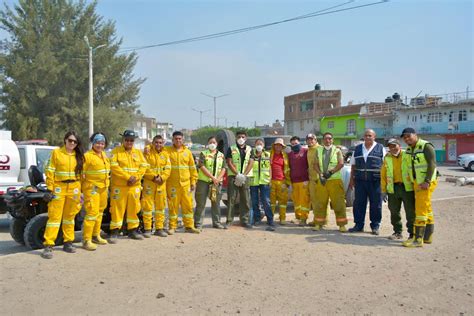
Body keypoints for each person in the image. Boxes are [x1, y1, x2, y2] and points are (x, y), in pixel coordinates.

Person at [41, 131, 84, 259]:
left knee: (70, 217)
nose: (72, 143)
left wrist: (81, 191)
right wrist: (49, 189)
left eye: (75, 141)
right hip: (59, 187)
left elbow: (82, 175)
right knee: (54, 217)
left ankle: (68, 242)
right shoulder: (56, 153)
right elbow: (50, 171)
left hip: (74, 188)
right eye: (70, 140)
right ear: (65, 140)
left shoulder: (79, 155)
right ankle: (48, 245)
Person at [400, 128, 438, 247]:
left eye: (408, 136)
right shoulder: (410, 149)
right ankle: (428, 236)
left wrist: (427, 181)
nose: (406, 139)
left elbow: (432, 164)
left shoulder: (426, 146)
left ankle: (417, 239)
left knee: (420, 210)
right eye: (404, 137)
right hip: (417, 182)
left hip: (425, 183)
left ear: (415, 135)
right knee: (427, 208)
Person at [108, 130, 148, 243]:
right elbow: (114, 166)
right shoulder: (115, 152)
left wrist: (135, 177)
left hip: (134, 186)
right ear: (123, 140)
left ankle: (133, 230)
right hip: (120, 187)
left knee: (134, 208)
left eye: (131, 140)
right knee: (117, 210)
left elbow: (144, 166)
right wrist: (127, 177)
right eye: (127, 140)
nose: (129, 142)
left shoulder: (138, 153)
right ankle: (114, 232)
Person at [349, 129, 386, 235]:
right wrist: (351, 180)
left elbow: (385, 166)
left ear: (374, 137)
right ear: (363, 137)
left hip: (375, 181)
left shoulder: (381, 148)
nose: (368, 137)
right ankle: (358, 225)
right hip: (360, 181)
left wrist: (385, 182)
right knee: (359, 204)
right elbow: (353, 165)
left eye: (370, 135)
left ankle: (375, 226)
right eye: (366, 135)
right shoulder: (357, 149)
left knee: (376, 205)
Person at [165, 131, 200, 234]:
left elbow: (193, 169)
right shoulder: (167, 151)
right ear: (173, 140)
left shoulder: (187, 152)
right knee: (173, 207)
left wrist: (193, 181)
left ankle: (189, 226)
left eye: (180, 139)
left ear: (183, 140)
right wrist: (148, 148)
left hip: (185, 185)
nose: (178, 140)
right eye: (176, 139)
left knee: (188, 206)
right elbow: (155, 149)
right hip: (172, 185)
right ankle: (172, 227)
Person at [312, 132, 348, 232]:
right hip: (322, 181)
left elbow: (341, 164)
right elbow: (315, 164)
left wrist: (331, 172)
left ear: (332, 140)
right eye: (326, 139)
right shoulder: (318, 150)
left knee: (338, 203)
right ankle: (319, 223)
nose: (328, 140)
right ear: (323, 140)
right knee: (320, 203)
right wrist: (321, 174)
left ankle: (342, 225)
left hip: (335, 181)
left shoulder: (337, 150)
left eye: (330, 138)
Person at [380, 138, 415, 240]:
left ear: (399, 146)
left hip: (407, 188)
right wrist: (383, 190)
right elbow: (383, 175)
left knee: (410, 212)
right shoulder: (387, 158)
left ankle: (412, 234)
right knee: (394, 212)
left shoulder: (407, 155)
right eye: (390, 146)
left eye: (394, 146)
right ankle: (397, 232)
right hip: (393, 188)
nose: (392, 148)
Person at [81, 132, 111, 251]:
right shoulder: (87, 156)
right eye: (98, 143)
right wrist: (82, 190)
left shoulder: (104, 155)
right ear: (93, 143)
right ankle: (86, 240)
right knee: (92, 213)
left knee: (99, 212)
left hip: (103, 188)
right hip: (91, 189)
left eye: (102, 143)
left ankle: (95, 235)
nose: (100, 145)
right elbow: (81, 174)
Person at [141, 135, 171, 237]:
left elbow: (168, 169)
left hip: (161, 184)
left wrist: (162, 178)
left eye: (160, 142)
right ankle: (148, 229)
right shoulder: (147, 153)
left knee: (160, 207)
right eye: (156, 142)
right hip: (149, 183)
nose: (158, 144)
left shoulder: (166, 155)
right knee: (147, 207)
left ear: (163, 143)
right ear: (152, 143)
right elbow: (144, 167)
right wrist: (154, 177)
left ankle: (159, 229)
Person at [194, 136, 226, 230]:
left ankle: (216, 222)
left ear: (217, 144)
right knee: (201, 203)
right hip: (204, 181)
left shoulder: (221, 155)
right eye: (210, 142)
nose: (212, 144)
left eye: (214, 142)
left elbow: (224, 168)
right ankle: (198, 223)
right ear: (208, 143)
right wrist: (212, 177)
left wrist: (218, 179)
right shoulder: (203, 153)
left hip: (216, 183)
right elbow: (202, 166)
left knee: (216, 203)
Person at [225, 130, 254, 229]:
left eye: (243, 137)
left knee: (245, 199)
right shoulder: (231, 148)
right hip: (233, 176)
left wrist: (244, 175)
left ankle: (244, 220)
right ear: (236, 138)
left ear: (246, 138)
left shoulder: (250, 149)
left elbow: (251, 163)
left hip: (245, 177)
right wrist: (237, 174)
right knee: (231, 199)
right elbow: (229, 162)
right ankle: (229, 221)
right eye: (239, 137)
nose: (241, 139)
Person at [249, 139, 275, 231]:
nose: (259, 145)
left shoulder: (267, 154)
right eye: (257, 144)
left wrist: (270, 179)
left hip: (264, 181)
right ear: (255, 145)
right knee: (254, 201)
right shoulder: (251, 154)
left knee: (266, 201)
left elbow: (270, 168)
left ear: (263, 145)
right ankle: (257, 219)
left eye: (260, 144)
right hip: (254, 181)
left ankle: (270, 219)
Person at [288, 136, 310, 226]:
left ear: (300, 143)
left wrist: (308, 179)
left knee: (304, 201)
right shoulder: (290, 154)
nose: (294, 145)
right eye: (292, 144)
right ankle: (298, 217)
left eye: (296, 143)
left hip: (304, 181)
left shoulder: (305, 152)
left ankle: (304, 218)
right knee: (296, 201)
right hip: (294, 182)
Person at [269, 138, 290, 225]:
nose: (278, 147)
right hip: (272, 181)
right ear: (274, 146)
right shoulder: (269, 155)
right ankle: (270, 219)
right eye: (277, 145)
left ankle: (282, 218)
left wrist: (287, 182)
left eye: (280, 145)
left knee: (283, 202)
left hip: (282, 181)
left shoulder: (285, 156)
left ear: (282, 147)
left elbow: (288, 169)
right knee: (271, 202)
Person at [306, 133, 320, 225]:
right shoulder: (309, 150)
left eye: (312, 139)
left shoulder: (320, 149)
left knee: (322, 201)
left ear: (316, 140)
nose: (310, 141)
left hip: (320, 179)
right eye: (308, 139)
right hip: (311, 179)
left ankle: (323, 220)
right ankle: (317, 220)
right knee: (314, 201)